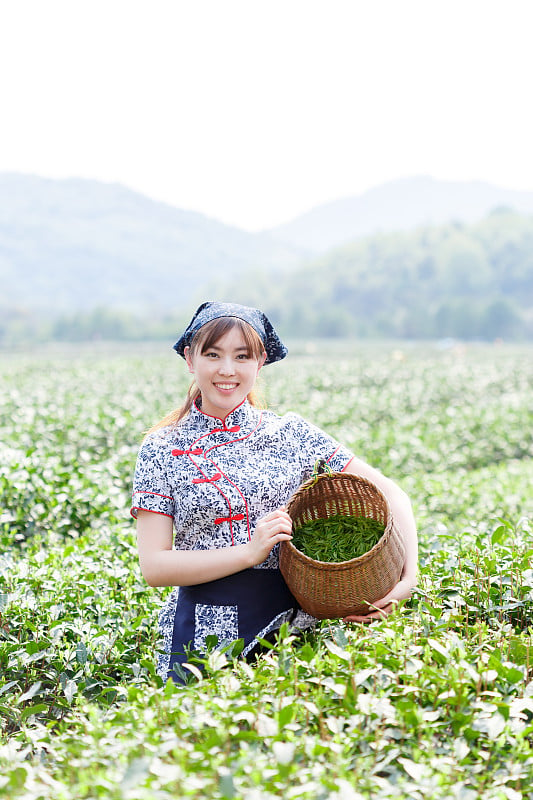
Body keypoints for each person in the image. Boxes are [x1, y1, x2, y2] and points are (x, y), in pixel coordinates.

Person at [131, 301, 418, 683]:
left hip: (296, 630)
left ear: (260, 360)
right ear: (190, 358)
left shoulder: (291, 433)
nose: (227, 370)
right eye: (213, 354)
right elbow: (155, 567)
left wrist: (407, 579)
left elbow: (393, 495)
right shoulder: (161, 448)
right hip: (204, 638)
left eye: (242, 355)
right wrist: (249, 552)